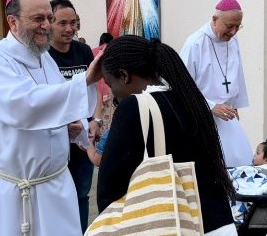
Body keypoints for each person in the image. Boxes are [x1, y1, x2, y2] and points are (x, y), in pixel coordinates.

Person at [0, 0, 101, 236]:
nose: (47, 25)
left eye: (49, 19)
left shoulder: (44, 58)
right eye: (38, 19)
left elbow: (52, 106)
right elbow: (23, 106)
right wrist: (83, 81)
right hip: (10, 192)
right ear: (13, 21)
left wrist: (72, 127)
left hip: (53, 186)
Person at [96, 35, 237, 235]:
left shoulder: (134, 107)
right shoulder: (189, 98)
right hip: (219, 222)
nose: (114, 97)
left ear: (124, 76)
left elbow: (110, 188)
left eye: (111, 86)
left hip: (173, 226)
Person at [180, 0, 252, 167]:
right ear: (215, 20)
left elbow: (237, 74)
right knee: (212, 165)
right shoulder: (195, 44)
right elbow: (182, 87)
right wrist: (211, 106)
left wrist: (234, 104)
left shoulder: (233, 41)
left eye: (238, 26)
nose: (233, 32)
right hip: (201, 115)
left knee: (239, 160)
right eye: (229, 26)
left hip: (226, 115)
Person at [48, 0, 98, 233]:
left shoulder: (83, 50)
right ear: (50, 23)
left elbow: (93, 88)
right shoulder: (43, 55)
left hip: (82, 136)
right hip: (55, 134)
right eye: (63, 23)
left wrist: (95, 120)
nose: (70, 29)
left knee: (81, 191)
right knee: (55, 192)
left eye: (74, 23)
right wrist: (62, 124)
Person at [92, 32, 115, 133]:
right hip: (109, 87)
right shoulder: (112, 51)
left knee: (97, 114)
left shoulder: (92, 51)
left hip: (95, 88)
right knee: (108, 116)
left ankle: (97, 135)